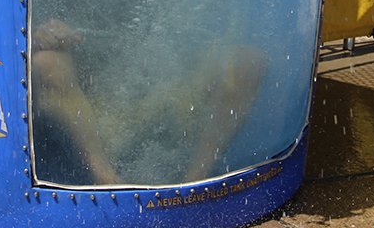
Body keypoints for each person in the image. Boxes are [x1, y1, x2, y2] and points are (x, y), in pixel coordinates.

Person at [30, 19, 269, 186]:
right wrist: (41, 33)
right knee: (46, 62)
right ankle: (106, 179)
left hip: (170, 94)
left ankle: (195, 182)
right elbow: (18, 19)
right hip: (93, 107)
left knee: (247, 60)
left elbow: (216, 27)